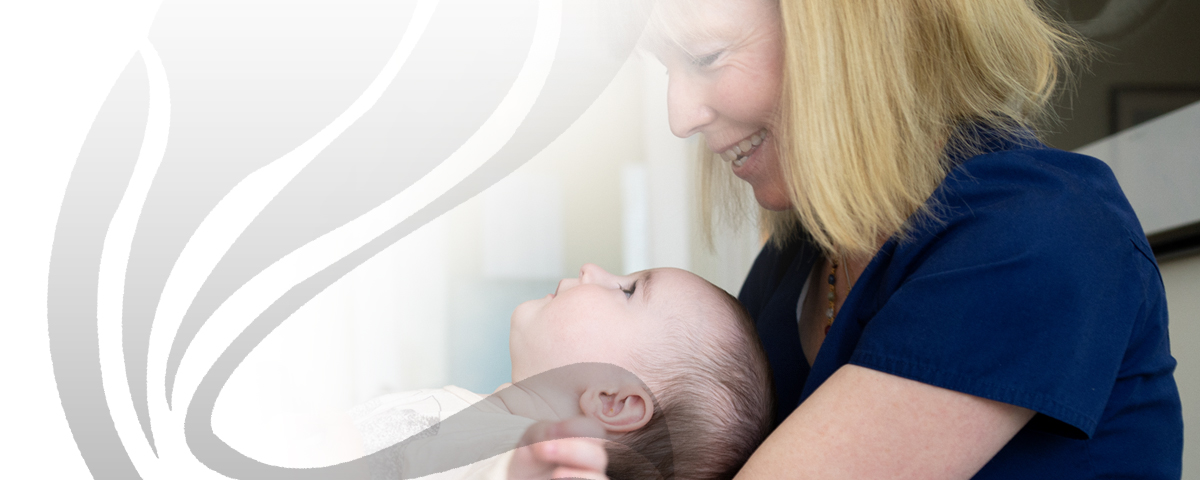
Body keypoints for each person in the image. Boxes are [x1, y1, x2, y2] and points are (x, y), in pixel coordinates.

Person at [642, 0, 1184, 478]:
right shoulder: (795, 259)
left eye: (707, 56)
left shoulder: (1036, 228)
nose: (679, 117)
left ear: (855, 36)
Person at [346, 264, 773, 480]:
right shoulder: (470, 418)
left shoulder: (508, 460)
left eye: (627, 290)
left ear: (615, 401)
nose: (592, 270)